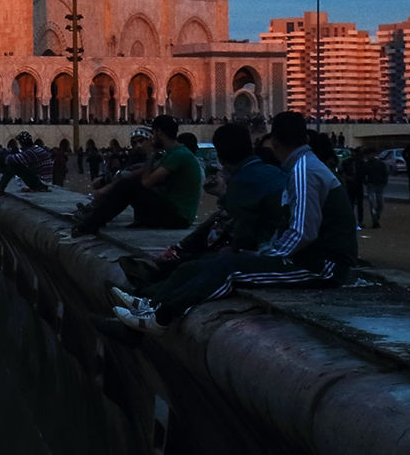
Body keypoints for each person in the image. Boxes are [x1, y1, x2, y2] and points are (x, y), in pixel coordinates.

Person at [110, 111, 357, 330]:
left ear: (275, 142)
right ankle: (152, 303)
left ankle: (162, 317)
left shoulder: (304, 171)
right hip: (311, 259)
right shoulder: (303, 166)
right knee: (217, 264)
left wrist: (267, 256)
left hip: (322, 267)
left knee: (228, 271)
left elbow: (303, 231)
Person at [70, 116, 201, 235]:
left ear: (158, 132)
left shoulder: (178, 155)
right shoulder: (173, 153)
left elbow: (146, 182)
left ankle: (90, 224)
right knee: (128, 181)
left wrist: (150, 154)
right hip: (174, 212)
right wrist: (122, 177)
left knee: (129, 186)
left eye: (154, 134)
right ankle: (94, 217)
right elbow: (144, 170)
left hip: (179, 217)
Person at [362, 147, 390, 229]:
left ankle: (375, 220)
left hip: (373, 185)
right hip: (377, 185)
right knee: (378, 204)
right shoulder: (380, 164)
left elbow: (363, 176)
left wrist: (366, 183)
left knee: (374, 204)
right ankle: (376, 220)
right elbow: (385, 174)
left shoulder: (367, 165)